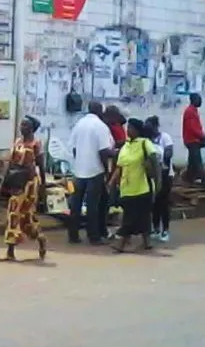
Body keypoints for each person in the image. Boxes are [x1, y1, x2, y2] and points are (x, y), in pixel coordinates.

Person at [67, 101, 114, 245]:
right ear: (100, 111)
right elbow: (103, 151)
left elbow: (74, 149)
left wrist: (79, 162)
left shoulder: (79, 124)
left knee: (76, 205)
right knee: (92, 205)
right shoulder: (101, 127)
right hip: (95, 170)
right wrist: (107, 170)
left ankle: (73, 235)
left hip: (79, 170)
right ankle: (93, 236)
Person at [0, 116, 46, 262]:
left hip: (29, 183)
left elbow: (41, 166)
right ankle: (10, 251)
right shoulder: (18, 142)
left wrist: (43, 186)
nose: (22, 127)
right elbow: (9, 163)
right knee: (13, 213)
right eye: (21, 125)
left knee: (26, 216)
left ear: (32, 128)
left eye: (25, 125)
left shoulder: (36, 144)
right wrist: (3, 183)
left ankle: (40, 238)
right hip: (16, 181)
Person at [110, 118, 159, 252]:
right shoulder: (125, 147)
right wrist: (112, 182)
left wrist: (157, 179)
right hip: (127, 188)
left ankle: (123, 243)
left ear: (137, 131)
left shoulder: (145, 143)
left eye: (130, 128)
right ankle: (144, 241)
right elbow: (119, 167)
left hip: (142, 187)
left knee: (138, 216)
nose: (127, 130)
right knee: (131, 216)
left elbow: (154, 158)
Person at [145, 115, 175, 242]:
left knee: (163, 202)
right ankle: (156, 228)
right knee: (154, 203)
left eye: (150, 126)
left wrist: (162, 166)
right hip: (152, 175)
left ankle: (165, 230)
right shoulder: (147, 140)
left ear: (156, 126)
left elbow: (168, 153)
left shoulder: (165, 137)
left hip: (166, 174)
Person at [181, 92, 205, 182]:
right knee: (197, 162)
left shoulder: (193, 111)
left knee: (192, 162)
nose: (201, 101)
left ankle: (189, 179)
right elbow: (192, 128)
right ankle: (204, 181)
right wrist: (203, 136)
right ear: (194, 100)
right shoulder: (190, 111)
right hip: (192, 140)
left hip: (193, 139)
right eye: (199, 99)